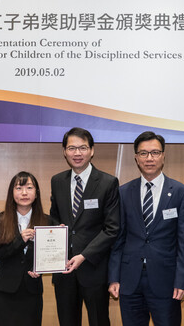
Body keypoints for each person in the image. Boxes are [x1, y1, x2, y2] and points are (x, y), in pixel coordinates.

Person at [108, 131, 184, 326]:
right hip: (129, 280)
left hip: (166, 280)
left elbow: (183, 241)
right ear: (136, 158)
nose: (149, 158)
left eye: (155, 152)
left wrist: (182, 280)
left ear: (163, 155)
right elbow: (118, 238)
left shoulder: (180, 192)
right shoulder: (123, 192)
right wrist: (113, 277)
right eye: (143, 153)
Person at [50, 127, 120, 326]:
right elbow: (54, 217)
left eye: (83, 148)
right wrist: (57, 229)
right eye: (72, 148)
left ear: (92, 150)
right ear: (64, 151)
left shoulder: (108, 183)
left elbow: (112, 228)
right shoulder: (57, 181)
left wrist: (84, 255)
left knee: (98, 321)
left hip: (93, 268)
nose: (77, 153)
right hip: (63, 269)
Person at [0, 171, 50, 326]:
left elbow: (50, 256)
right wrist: (20, 240)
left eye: (29, 188)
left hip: (32, 291)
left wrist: (41, 269)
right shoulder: (0, 220)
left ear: (36, 193)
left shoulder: (47, 221)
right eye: (19, 188)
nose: (24, 193)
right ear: (12, 193)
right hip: (4, 291)